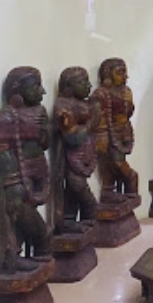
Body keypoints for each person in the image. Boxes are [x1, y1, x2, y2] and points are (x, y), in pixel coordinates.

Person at [0, 67, 52, 273]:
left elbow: (44, 144)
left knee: (27, 216)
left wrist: (44, 130)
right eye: (36, 86)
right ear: (17, 90)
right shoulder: (6, 118)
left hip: (36, 171)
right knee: (19, 213)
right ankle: (13, 256)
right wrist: (14, 180)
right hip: (17, 176)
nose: (42, 92)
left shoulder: (39, 113)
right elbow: (2, 151)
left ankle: (27, 253)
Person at [52, 67, 98, 234]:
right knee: (79, 189)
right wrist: (91, 123)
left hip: (84, 156)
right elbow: (72, 138)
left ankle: (71, 222)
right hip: (72, 158)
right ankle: (73, 221)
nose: (89, 86)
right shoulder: (63, 106)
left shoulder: (85, 103)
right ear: (69, 87)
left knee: (73, 192)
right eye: (83, 82)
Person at [91, 58, 138, 202]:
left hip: (123, 132)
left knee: (117, 162)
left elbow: (128, 113)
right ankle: (110, 190)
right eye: (120, 72)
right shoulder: (101, 94)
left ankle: (122, 190)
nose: (125, 77)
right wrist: (102, 137)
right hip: (107, 134)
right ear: (108, 74)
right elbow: (97, 118)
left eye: (125, 72)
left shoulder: (126, 92)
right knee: (112, 164)